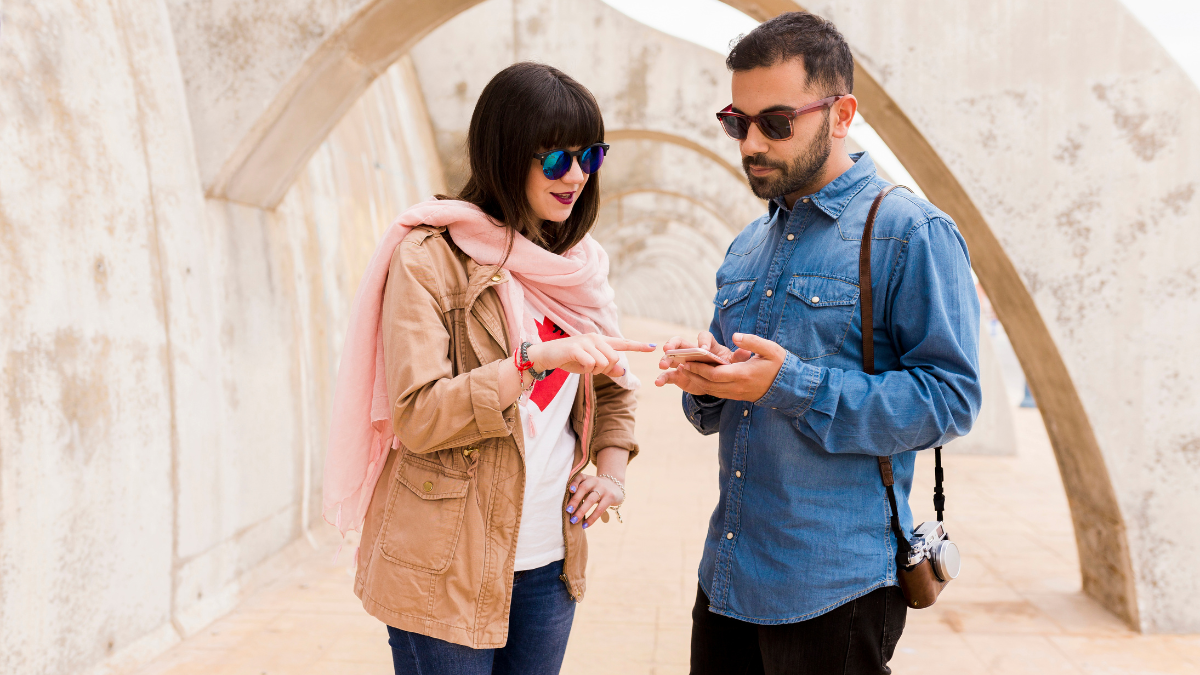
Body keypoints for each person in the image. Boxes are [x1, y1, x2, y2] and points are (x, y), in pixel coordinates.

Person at [655, 13, 982, 674]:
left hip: (836, 590)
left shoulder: (909, 232)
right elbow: (719, 410)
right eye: (737, 122)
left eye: (776, 122)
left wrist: (793, 384)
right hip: (726, 578)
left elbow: (951, 400)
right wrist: (706, 383)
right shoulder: (747, 246)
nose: (751, 142)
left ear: (842, 115)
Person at [322, 62, 655, 675]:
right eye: (556, 159)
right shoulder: (430, 258)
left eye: (590, 156)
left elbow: (613, 386)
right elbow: (419, 413)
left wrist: (612, 473)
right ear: (505, 155)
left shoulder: (579, 266)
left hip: (549, 565)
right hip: (443, 565)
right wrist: (530, 364)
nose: (576, 176)